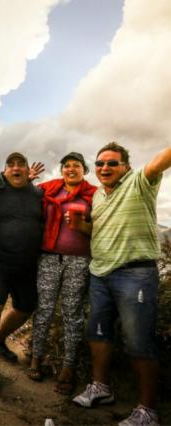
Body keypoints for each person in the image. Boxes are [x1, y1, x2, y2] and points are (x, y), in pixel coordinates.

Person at [72, 142, 171, 426]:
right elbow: (99, 229)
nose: (105, 168)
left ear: (125, 167)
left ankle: (148, 410)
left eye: (112, 163)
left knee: (138, 340)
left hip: (135, 273)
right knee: (98, 333)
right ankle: (100, 388)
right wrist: (81, 227)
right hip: (100, 273)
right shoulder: (98, 197)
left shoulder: (140, 182)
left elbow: (158, 161)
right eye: (100, 163)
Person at [27, 152, 97, 395]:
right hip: (48, 258)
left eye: (76, 166)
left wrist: (82, 226)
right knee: (44, 309)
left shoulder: (94, 194)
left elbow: (101, 227)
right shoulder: (50, 189)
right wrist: (28, 179)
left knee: (72, 313)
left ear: (84, 170)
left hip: (78, 261)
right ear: (62, 170)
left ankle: (68, 367)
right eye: (66, 166)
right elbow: (25, 195)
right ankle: (36, 358)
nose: (70, 169)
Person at [0, 152, 44, 387]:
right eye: (10, 165)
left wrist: (29, 180)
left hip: (26, 263)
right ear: (4, 170)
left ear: (27, 170)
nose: (15, 168)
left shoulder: (37, 193)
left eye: (20, 165)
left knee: (26, 306)